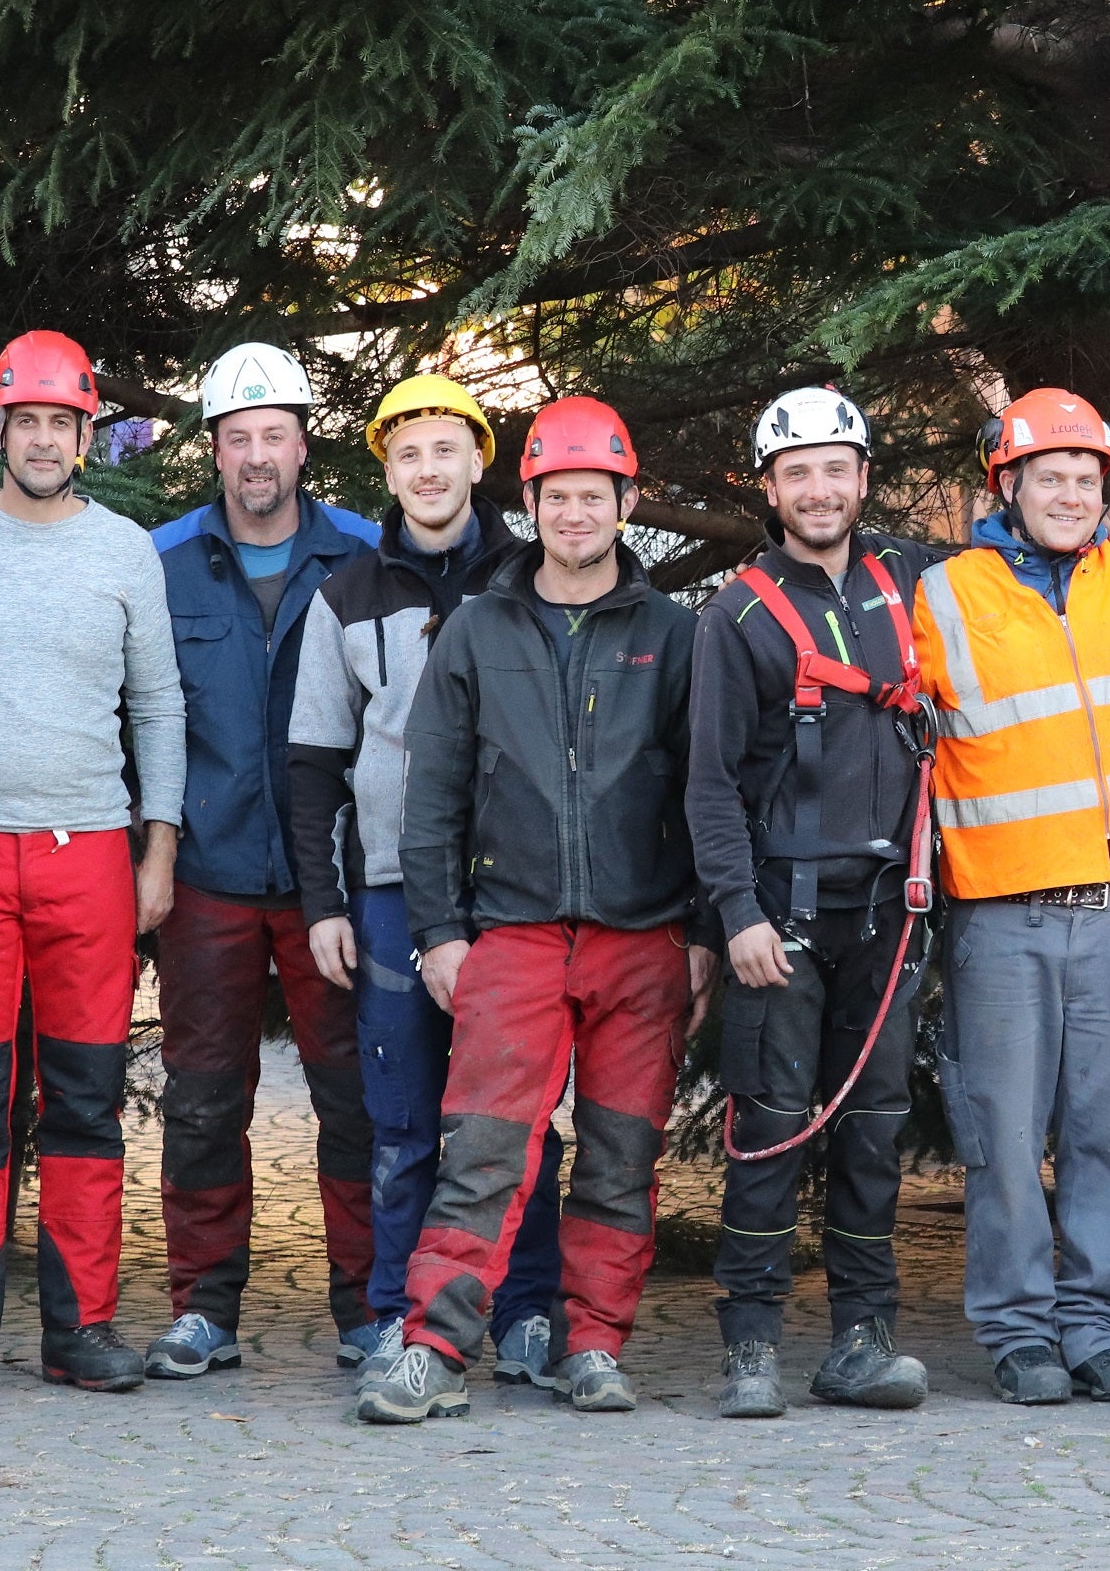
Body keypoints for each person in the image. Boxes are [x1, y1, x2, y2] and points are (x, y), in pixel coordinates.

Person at [354, 396, 703, 1424]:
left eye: (595, 495)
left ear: (625, 502)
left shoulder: (673, 634)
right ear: (533, 501)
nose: (575, 513)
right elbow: (432, 793)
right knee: (482, 1151)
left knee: (620, 1153)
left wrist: (711, 932)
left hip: (644, 933)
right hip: (510, 929)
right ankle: (434, 1346)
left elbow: (709, 790)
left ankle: (594, 1343)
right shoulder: (477, 627)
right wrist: (439, 929)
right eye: (557, 496)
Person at [0, 330, 183, 1395]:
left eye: (66, 422)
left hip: (91, 853)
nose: (48, 438)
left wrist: (160, 848)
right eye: (30, 420)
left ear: (86, 433)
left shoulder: (123, 550)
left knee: (83, 1095)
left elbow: (157, 704)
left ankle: (82, 1327)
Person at [289, 374, 566, 1386]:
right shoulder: (347, 597)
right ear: (387, 470)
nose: (428, 469)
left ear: (479, 460)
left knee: (511, 1117)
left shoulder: (532, 580)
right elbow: (313, 757)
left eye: (446, 448)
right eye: (407, 454)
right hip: (390, 886)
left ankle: (530, 1306)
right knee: (402, 1120)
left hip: (514, 890)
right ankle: (403, 1313)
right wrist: (323, 901)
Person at [687, 385, 947, 1418]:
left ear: (864, 477)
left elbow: (1023, 555)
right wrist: (736, 914)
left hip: (887, 907)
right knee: (773, 1131)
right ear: (770, 487)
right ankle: (751, 1342)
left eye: (836, 467)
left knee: (873, 1131)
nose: (819, 487)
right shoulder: (736, 615)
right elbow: (707, 783)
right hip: (779, 919)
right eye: (798, 472)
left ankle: (861, 1339)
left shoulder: (908, 581)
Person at [913, 388, 1110, 1406]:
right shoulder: (943, 594)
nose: (1070, 495)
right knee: (1006, 1136)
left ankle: (1097, 1323)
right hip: (1002, 912)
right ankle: (1020, 1330)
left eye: (1087, 479)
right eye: (1049, 478)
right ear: (1006, 486)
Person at [144, 344, 379, 1378]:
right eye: (236, 437)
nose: (255, 455)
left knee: (357, 1100)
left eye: (273, 433)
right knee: (202, 1098)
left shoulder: (369, 554)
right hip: (206, 875)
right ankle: (204, 1307)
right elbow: (130, 717)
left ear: (302, 441)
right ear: (214, 449)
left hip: (336, 878)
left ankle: (372, 1309)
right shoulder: (158, 561)